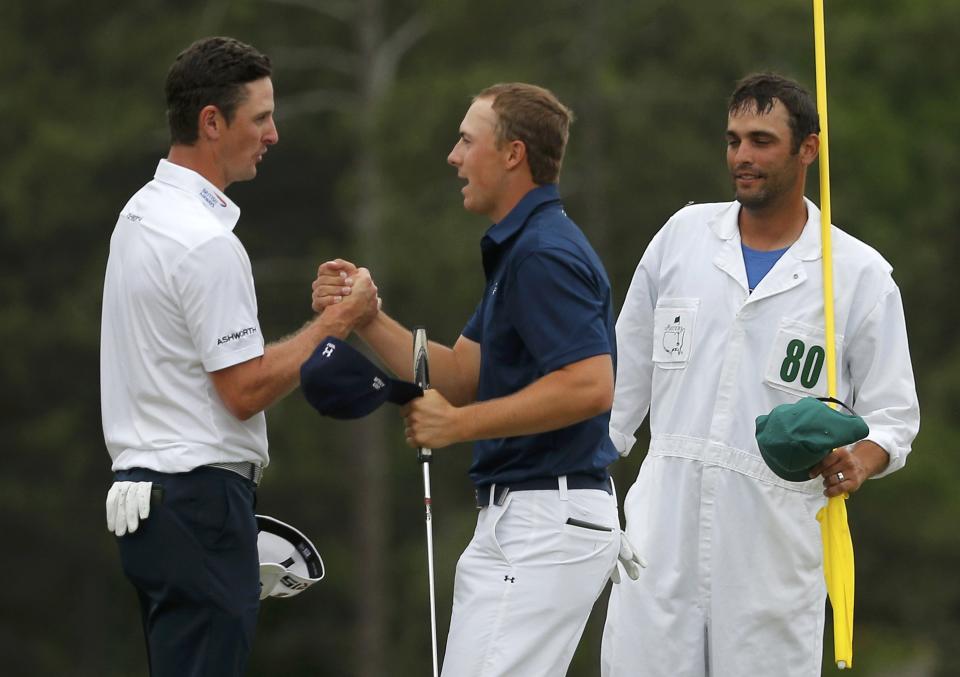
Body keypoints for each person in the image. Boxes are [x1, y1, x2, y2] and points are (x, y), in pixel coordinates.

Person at [312, 83, 642, 676]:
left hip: (546, 520)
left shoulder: (543, 253)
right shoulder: (522, 250)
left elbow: (591, 385)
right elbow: (462, 376)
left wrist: (459, 426)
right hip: (526, 518)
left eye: (466, 141)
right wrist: (365, 317)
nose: (453, 156)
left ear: (512, 154)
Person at [599, 72, 920, 677]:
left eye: (762, 140)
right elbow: (623, 379)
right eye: (733, 140)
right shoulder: (682, 237)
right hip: (660, 533)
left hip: (772, 545)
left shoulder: (857, 275)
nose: (742, 156)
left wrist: (862, 458)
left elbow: (895, 415)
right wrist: (585, 477)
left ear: (808, 149)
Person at [99, 36, 377, 677]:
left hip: (149, 507)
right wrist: (340, 320)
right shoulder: (206, 242)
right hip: (197, 502)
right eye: (261, 118)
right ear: (212, 122)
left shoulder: (140, 213)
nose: (273, 135)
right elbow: (244, 390)